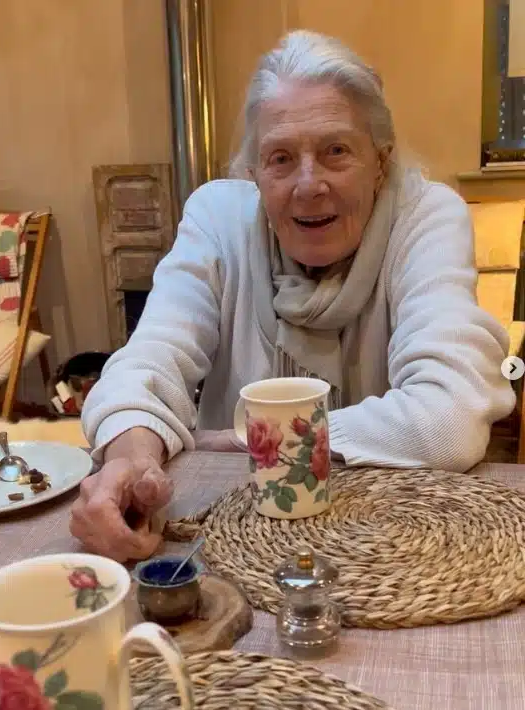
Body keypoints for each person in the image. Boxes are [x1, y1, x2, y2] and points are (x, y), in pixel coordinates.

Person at [71, 30, 516, 561]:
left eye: (336, 151)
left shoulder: (425, 217)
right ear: (254, 174)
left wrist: (250, 441)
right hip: (236, 531)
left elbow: (451, 417)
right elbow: (149, 360)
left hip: (388, 538)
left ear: (381, 161)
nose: (308, 185)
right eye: (280, 158)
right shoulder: (218, 218)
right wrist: (131, 458)